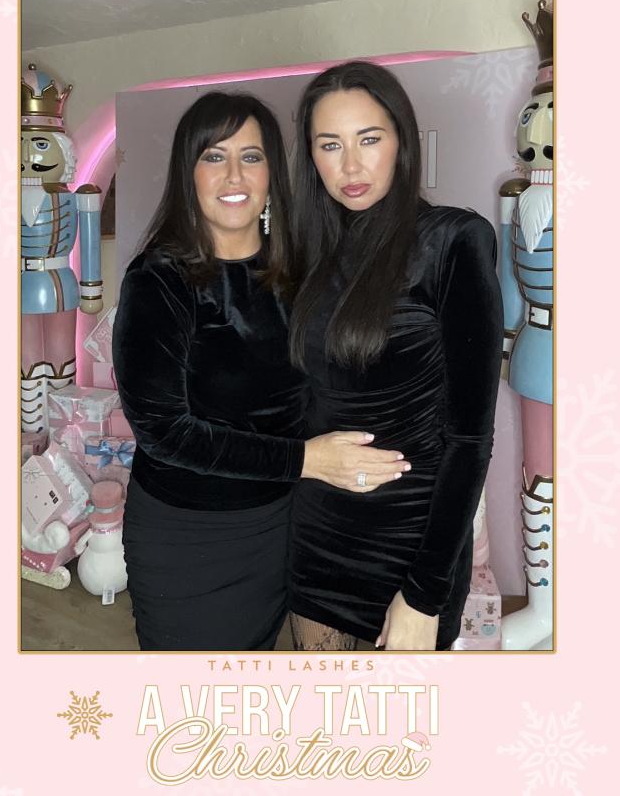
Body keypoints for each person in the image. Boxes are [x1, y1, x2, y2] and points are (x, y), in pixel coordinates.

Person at [111, 90, 409, 651]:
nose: (234, 175)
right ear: (188, 173)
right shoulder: (159, 280)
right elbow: (164, 432)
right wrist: (306, 460)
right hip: (191, 534)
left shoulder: (302, 271)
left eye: (251, 156)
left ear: (273, 172)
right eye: (213, 156)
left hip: (286, 522)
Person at [287, 61, 504, 651]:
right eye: (330, 145)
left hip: (411, 544)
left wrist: (425, 593)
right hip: (318, 533)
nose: (351, 166)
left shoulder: (453, 241)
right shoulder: (310, 255)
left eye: (369, 139)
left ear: (401, 142)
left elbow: (470, 438)